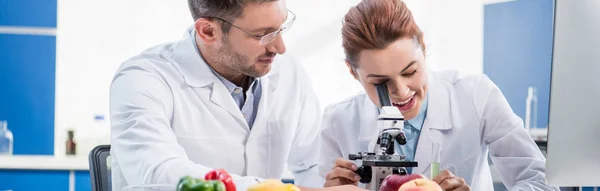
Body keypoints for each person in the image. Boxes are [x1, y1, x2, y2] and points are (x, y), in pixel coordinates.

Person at [319, 0, 560, 190]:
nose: (402, 92)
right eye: (381, 83)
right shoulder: (338, 121)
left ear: (423, 46)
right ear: (353, 72)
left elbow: (541, 182)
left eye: (410, 71)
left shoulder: (476, 95)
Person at [108, 0, 330, 190]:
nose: (280, 48)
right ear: (208, 31)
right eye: (263, 35)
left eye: (280, 29)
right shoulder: (143, 78)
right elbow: (158, 173)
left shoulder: (287, 72)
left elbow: (312, 163)